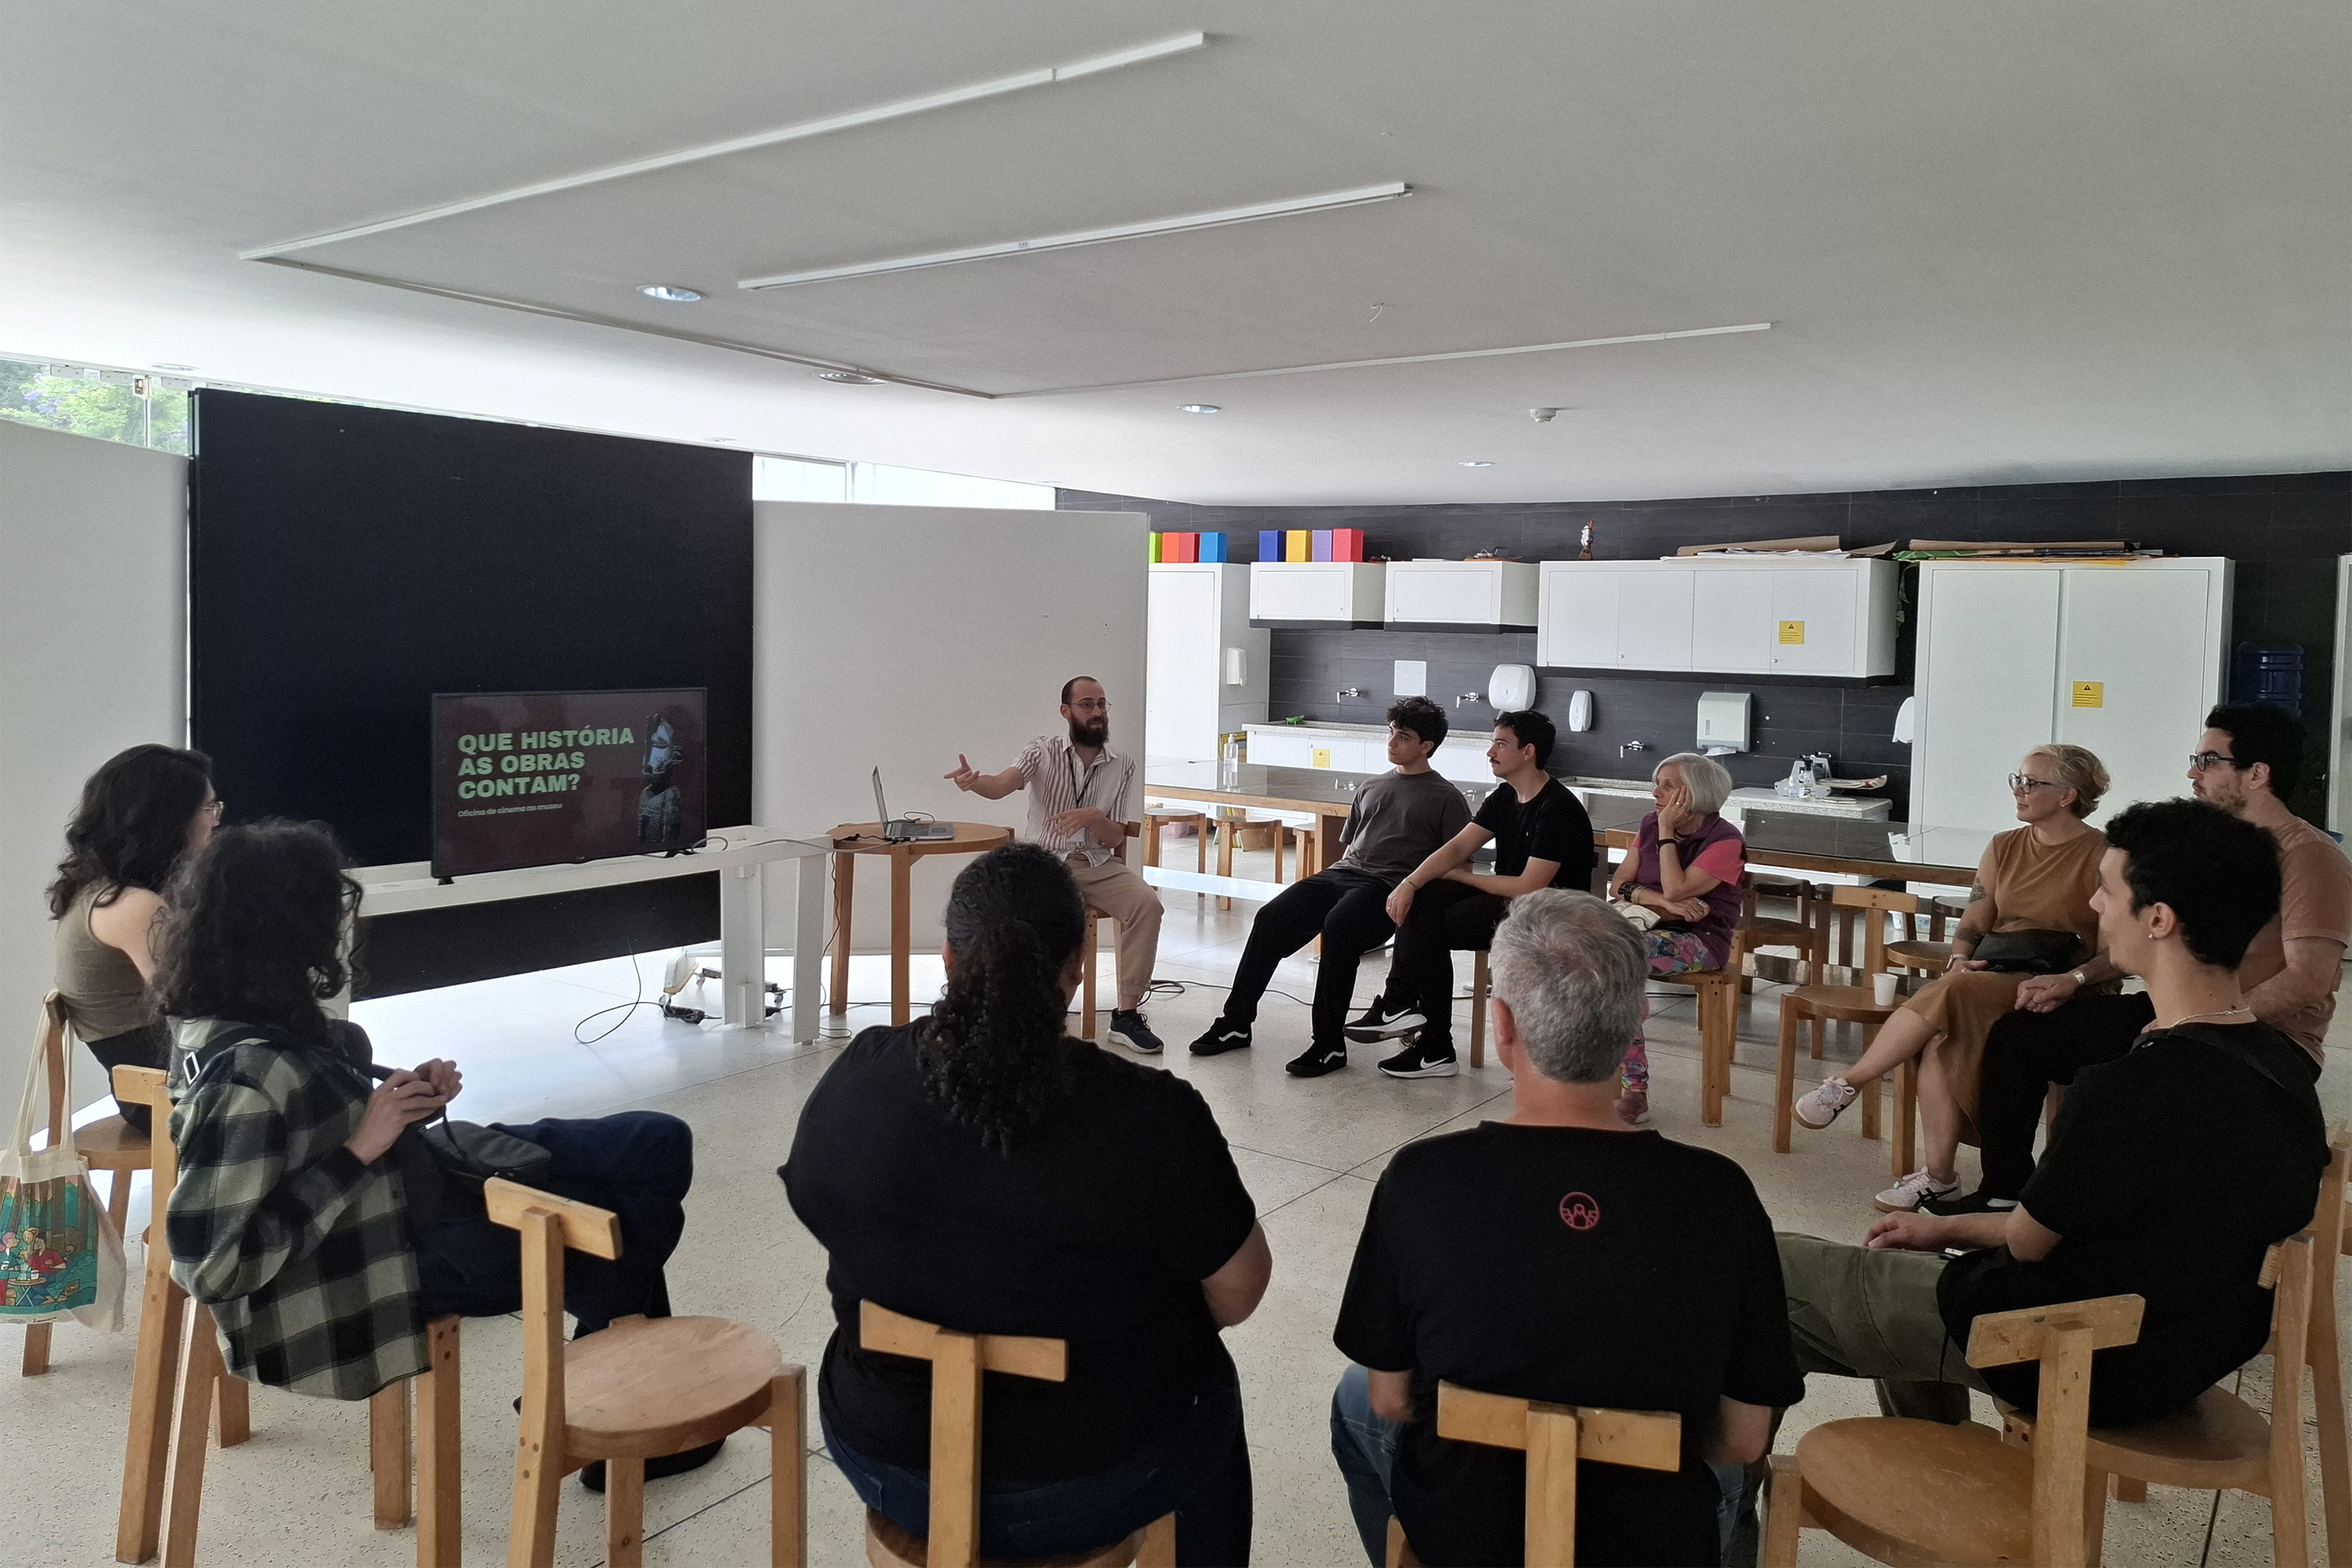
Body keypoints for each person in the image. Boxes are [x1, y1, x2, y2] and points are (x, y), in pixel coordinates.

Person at [161, 822, 713, 1489]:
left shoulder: (238, 1008)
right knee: (616, 1226)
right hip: (377, 1255)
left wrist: (403, 1096)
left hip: (409, 1180)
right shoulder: (243, 1077)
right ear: (285, 928)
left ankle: (588, 1396)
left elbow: (314, 1112)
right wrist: (363, 1147)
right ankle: (606, 1423)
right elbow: (210, 1268)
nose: (337, 925)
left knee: (659, 1142)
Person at [783, 844, 1269, 1566]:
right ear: (1078, 965)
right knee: (1208, 1385)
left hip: (890, 1457)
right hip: (1091, 1477)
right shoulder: (1153, 1115)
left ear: (947, 956)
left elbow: (817, 1203)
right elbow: (1237, 1292)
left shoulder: (861, 1077)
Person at [1775, 798, 2327, 1430]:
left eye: (2107, 891)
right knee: (1896, 1269)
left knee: (1764, 1266)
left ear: (2159, 920)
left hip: (2060, 1348)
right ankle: (1939, 1469)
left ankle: (1722, 1506)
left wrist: (1955, 1232)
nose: (2095, 906)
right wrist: (1945, 1231)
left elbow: (2030, 1243)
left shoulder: (2130, 1087)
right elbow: (2073, 1224)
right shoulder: (2283, 1071)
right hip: (2181, 1355)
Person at [1329, 890, 1802, 1567]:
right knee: (1725, 1474)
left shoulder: (1422, 1178)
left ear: (1501, 1024)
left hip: (1469, 1532)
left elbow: (1390, 1396)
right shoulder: (1719, 1192)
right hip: (1653, 1542)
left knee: (1354, 1400)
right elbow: (1743, 1439)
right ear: (1636, 1019)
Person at [1933, 706, 2352, 1214]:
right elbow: (2151, 936)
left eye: (2208, 760)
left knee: (2111, 1091)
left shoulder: (2309, 856)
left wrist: (2193, 1025)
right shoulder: (2208, 847)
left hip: (2268, 1041)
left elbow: (2308, 981)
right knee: (2021, 1034)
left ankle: (2068, 1221)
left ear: (2258, 774)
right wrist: (2077, 976)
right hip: (2179, 1013)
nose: (2193, 772)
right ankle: (2005, 1193)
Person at [1791, 745, 2110, 1212]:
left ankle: (1852, 1081)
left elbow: (2115, 954)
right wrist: (1959, 957)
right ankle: (1938, 1176)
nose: (2019, 790)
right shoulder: (2004, 845)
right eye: (2016, 779)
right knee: (1940, 1030)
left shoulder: (2102, 853)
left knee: (1951, 995)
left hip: (2061, 978)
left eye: (2031, 782)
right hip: (1995, 968)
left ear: (2068, 796)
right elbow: (1976, 920)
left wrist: (2077, 979)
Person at [1189, 698, 1471, 1077]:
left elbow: (1459, 862)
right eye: (1391, 732)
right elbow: (1352, 847)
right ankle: (1236, 1022)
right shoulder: (1371, 786)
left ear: (1427, 746)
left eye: (1403, 736)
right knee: (1270, 917)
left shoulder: (1446, 798)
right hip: (1344, 873)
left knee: (1339, 928)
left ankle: (1328, 1045)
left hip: (1387, 887)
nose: (1392, 742)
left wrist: (1412, 887)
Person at [1346, 710, 1595, 1080]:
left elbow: (1529, 886)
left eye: (1500, 743)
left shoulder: (1558, 808)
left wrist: (1468, 880)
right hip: (1513, 902)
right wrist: (1410, 883)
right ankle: (1405, 1012)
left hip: (1550, 914)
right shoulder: (1504, 797)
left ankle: (1428, 1039)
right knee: (1425, 900)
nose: (1489, 752)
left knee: (1435, 924)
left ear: (1528, 752)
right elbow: (1455, 849)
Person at [947, 676, 1165, 1054]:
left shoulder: (1122, 764)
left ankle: (1126, 1016)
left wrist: (1093, 817)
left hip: (1094, 862)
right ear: (1066, 712)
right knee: (1009, 912)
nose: (1097, 712)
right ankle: (1012, 1008)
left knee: (1147, 905)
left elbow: (1114, 838)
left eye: (1102, 704)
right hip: (1044, 864)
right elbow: (1001, 785)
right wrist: (973, 782)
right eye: (1087, 705)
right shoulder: (1042, 751)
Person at [48, 744, 220, 1132]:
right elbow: (196, 1003)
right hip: (162, 1094)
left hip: (155, 1083)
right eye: (208, 809)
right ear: (170, 821)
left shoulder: (100, 890)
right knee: (330, 1056)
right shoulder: (132, 905)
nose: (215, 822)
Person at [1603, 752, 1745, 1127]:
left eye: (1668, 785)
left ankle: (1635, 1090)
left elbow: (1677, 885)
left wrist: (1666, 833)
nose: (1656, 792)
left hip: (1700, 939)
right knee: (1587, 954)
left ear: (1694, 793)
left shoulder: (1726, 840)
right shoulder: (1649, 823)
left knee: (1617, 961)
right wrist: (1661, 901)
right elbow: (1619, 884)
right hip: (1643, 927)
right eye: (1657, 782)